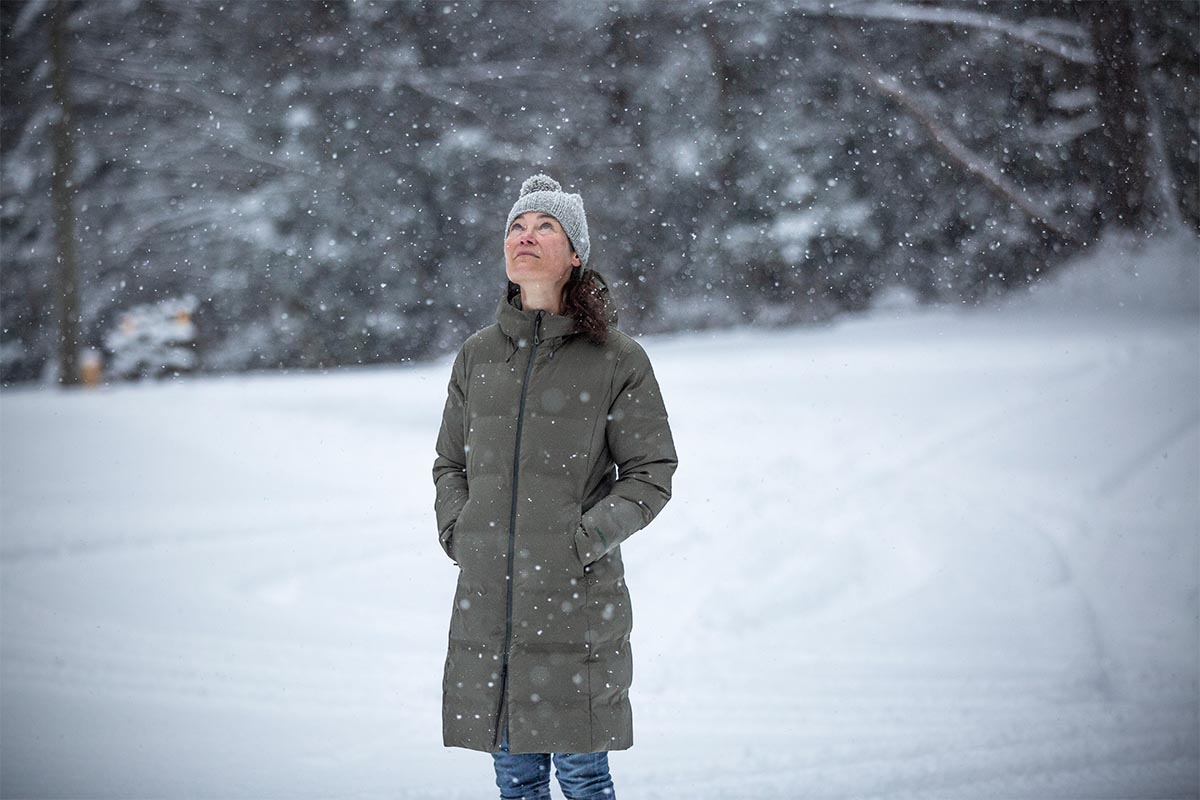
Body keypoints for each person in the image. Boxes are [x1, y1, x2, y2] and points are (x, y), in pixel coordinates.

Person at [432, 174, 679, 799]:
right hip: (491, 601)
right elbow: (448, 464)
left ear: (576, 255)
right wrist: (462, 534)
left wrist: (581, 539)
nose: (526, 236)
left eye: (545, 226)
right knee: (514, 781)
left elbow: (652, 473)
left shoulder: (616, 358)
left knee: (583, 776)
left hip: (576, 600)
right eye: (516, 226)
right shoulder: (477, 356)